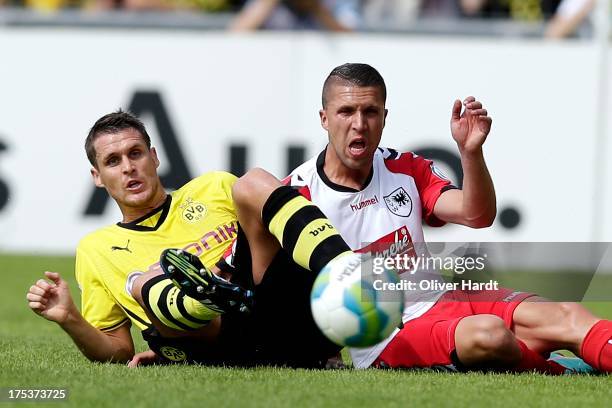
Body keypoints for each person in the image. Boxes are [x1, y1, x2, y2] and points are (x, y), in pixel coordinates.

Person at [281, 62, 612, 374]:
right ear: (324, 118)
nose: (359, 123)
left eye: (370, 112)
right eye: (346, 112)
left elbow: (477, 215)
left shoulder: (404, 168)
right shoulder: (298, 196)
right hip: (388, 336)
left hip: (444, 298)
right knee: (491, 336)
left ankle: (552, 353)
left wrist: (470, 152)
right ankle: (561, 370)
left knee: (568, 314)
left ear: (384, 116)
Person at [26, 110, 354, 367]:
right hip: (216, 344)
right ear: (97, 176)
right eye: (113, 161)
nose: (128, 167)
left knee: (253, 181)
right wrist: (70, 319)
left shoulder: (212, 187)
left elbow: (270, 245)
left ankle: (347, 269)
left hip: (278, 314)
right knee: (145, 282)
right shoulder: (96, 249)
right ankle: (209, 298)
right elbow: (119, 349)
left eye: (135, 153)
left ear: (154, 157)